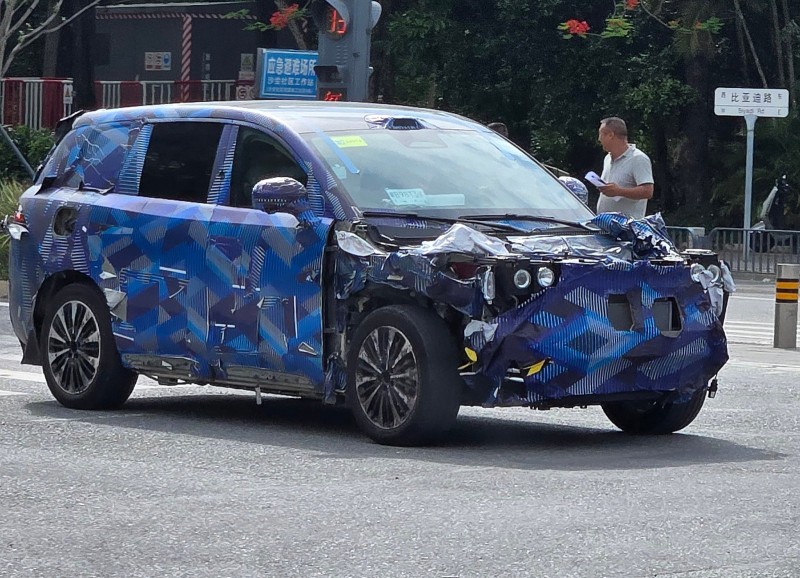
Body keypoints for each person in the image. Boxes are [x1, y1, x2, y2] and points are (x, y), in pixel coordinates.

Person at [595, 117, 654, 219]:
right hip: (604, 224)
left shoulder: (638, 158)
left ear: (610, 135)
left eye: (601, 134)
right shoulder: (607, 158)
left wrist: (619, 191)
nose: (599, 139)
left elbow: (648, 191)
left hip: (627, 226)